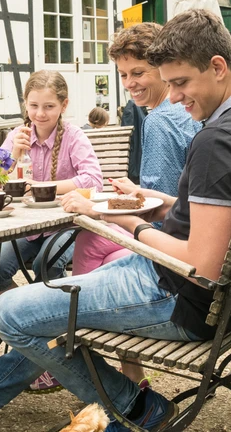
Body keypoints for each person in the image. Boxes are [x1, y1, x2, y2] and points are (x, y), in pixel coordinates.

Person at [0, 9, 231, 431]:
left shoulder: (217, 139)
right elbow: (214, 219)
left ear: (217, 67)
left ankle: (134, 406)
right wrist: (159, 204)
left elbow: (205, 265)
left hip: (178, 294)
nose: (175, 96)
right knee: (49, 306)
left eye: (180, 82)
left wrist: (132, 224)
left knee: (14, 312)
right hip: (212, 292)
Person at [60, 22, 201, 383]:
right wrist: (133, 191)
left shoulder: (160, 120)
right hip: (193, 256)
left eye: (138, 72)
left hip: (173, 266)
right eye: (123, 74)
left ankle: (95, 343)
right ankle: (131, 372)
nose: (129, 83)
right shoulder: (186, 111)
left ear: (164, 67)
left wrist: (103, 206)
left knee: (87, 248)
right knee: (94, 246)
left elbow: (159, 214)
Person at [0, 70, 102, 393]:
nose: (40, 114)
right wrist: (14, 155)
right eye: (34, 105)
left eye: (48, 106)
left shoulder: (74, 137)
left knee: (45, 267)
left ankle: (50, 355)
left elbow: (93, 180)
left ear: (63, 105)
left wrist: (47, 187)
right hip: (30, 228)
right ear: (25, 104)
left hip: (67, 225)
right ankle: (27, 326)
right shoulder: (18, 135)